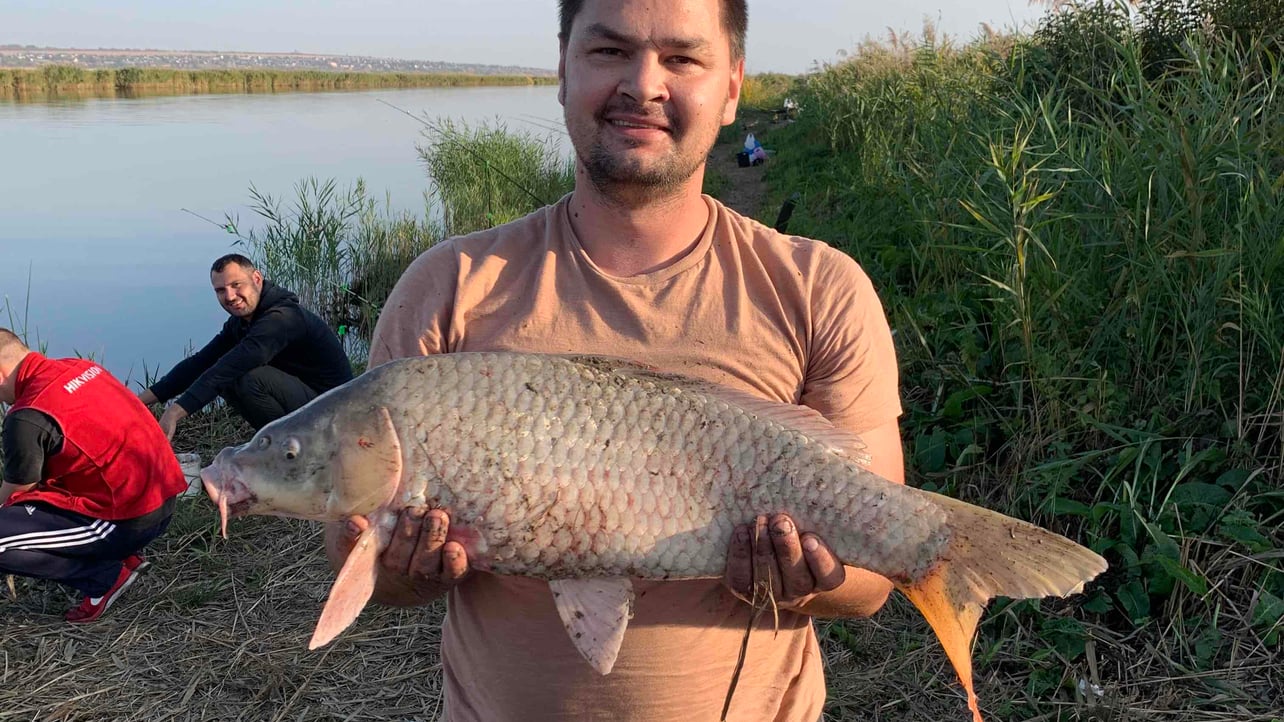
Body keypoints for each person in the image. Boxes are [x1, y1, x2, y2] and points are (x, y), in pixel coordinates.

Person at [325, 0, 905, 719]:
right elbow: (361, 560)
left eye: (682, 58)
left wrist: (808, 577)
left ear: (732, 88)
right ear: (562, 70)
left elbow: (875, 581)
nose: (643, 85)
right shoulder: (446, 286)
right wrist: (410, 568)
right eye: (609, 53)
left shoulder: (820, 289)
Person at [0, 328, 187, 622]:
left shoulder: (27, 415)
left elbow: (16, 492)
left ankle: (103, 577)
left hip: (129, 520)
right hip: (164, 499)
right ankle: (120, 555)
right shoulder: (82, 368)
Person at [138, 253, 354, 437]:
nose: (230, 296)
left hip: (336, 412)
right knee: (223, 375)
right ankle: (276, 441)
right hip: (309, 401)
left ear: (257, 278)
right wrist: (137, 402)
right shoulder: (242, 321)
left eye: (236, 285)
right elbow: (200, 362)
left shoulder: (281, 319)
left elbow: (229, 368)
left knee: (244, 377)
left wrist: (174, 413)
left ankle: (290, 446)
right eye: (220, 290)